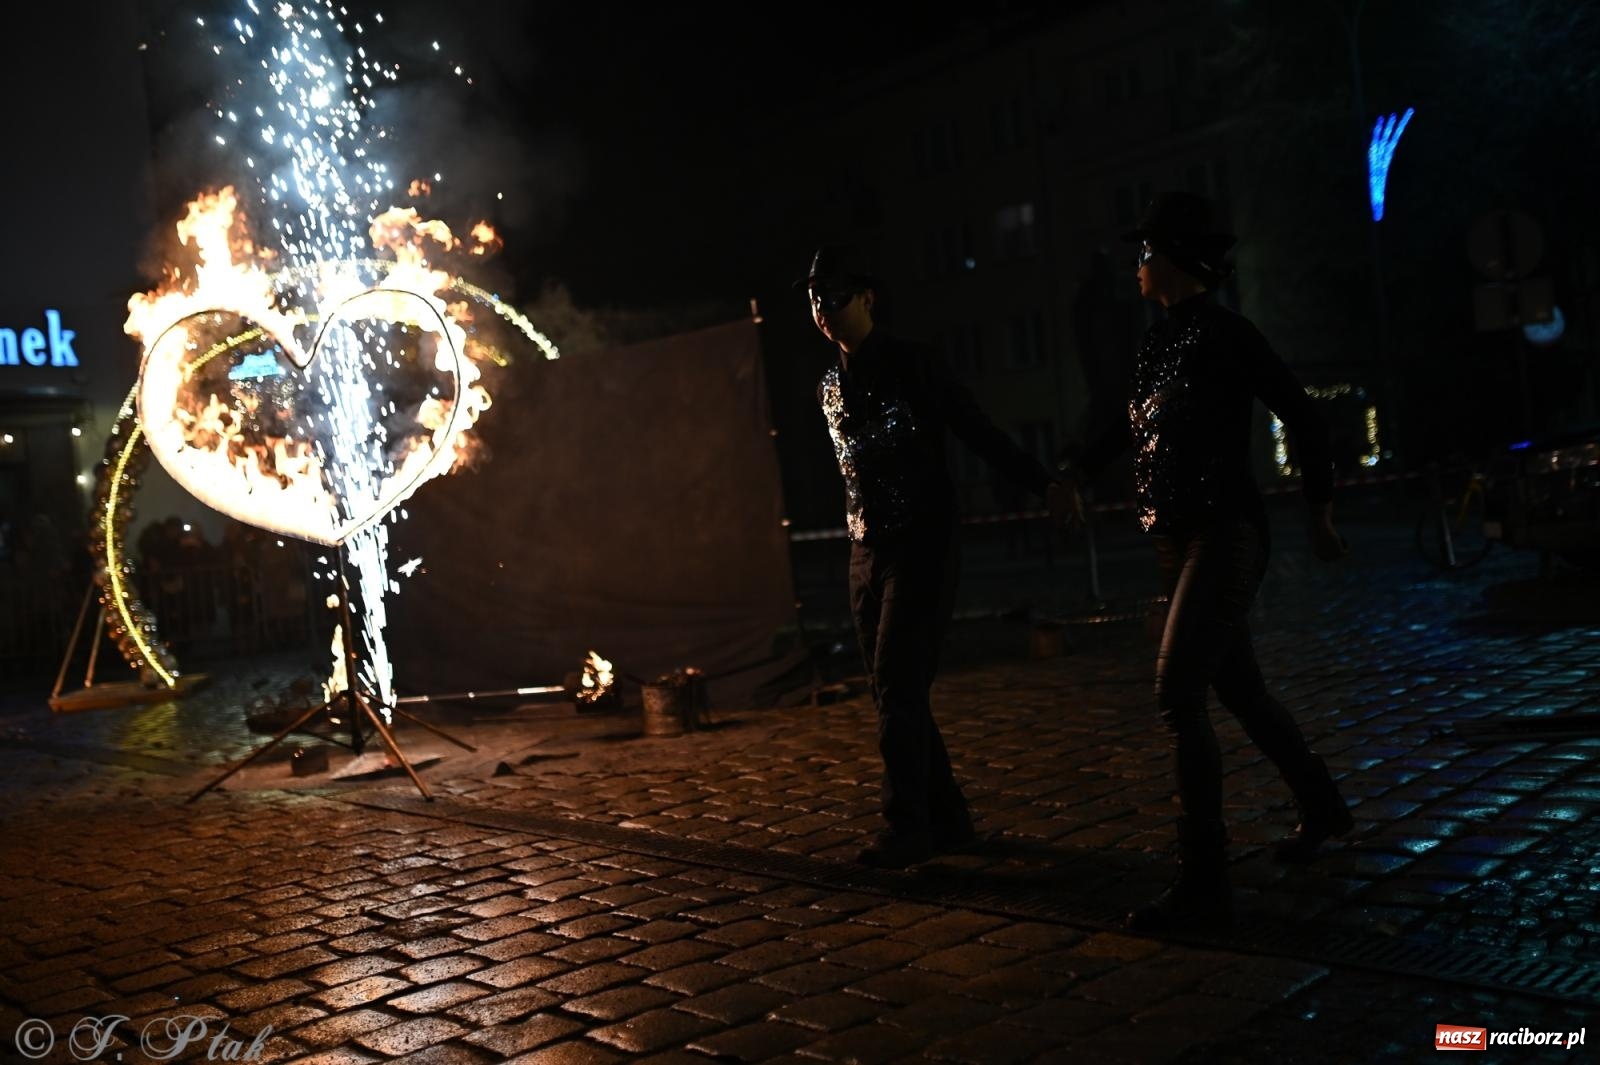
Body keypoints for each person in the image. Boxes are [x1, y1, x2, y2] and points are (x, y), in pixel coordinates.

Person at [1069, 192, 1353, 930]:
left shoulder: (1229, 334)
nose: (1137, 263)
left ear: (1175, 260)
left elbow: (1306, 417)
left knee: (1177, 693)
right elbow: (1127, 426)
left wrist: (1319, 513)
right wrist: (1075, 470)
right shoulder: (1154, 344)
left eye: (1146, 251)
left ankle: (1203, 880)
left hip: (1226, 534)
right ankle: (1323, 805)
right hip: (1175, 538)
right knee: (1243, 691)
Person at [799, 245, 1077, 868]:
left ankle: (907, 826)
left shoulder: (914, 365)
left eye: (834, 297)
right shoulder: (828, 386)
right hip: (864, 550)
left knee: (899, 682)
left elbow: (976, 429)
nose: (822, 310)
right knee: (891, 690)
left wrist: (1044, 484)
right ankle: (949, 820)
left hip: (922, 543)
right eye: (814, 300)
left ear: (868, 298)